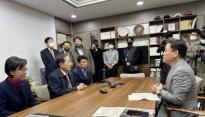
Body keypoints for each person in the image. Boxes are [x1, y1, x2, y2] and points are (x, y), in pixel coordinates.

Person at [153, 39, 197, 117]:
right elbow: (173, 88)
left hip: (180, 112)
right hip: (171, 106)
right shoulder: (176, 66)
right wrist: (161, 87)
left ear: (175, 53)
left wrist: (160, 91)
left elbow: (178, 99)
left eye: (166, 51)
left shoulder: (182, 71)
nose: (163, 53)